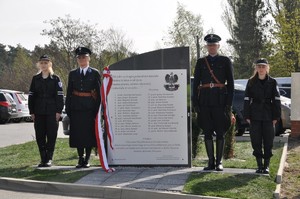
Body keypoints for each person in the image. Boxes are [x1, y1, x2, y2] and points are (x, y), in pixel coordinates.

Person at [192, 34, 234, 171]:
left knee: (220, 132)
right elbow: (196, 83)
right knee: (207, 131)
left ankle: (219, 162)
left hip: (220, 101)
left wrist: (228, 104)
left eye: (214, 45)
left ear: (218, 46)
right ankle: (211, 162)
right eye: (209, 45)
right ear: (206, 46)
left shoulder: (225, 61)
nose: (211, 47)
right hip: (204, 101)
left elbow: (231, 84)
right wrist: (196, 102)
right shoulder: (200, 62)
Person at [65, 47, 101, 168]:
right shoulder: (72, 73)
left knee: (88, 134)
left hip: (89, 108)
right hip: (76, 107)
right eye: (79, 58)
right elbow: (69, 91)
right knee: (78, 134)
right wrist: (68, 108)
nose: (82, 60)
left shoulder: (94, 73)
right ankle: (80, 158)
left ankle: (87, 158)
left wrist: (97, 110)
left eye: (84, 57)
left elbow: (99, 93)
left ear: (89, 58)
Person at [243, 58, 281, 174]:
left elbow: (277, 100)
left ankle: (266, 166)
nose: (261, 69)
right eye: (259, 66)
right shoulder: (251, 82)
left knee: (268, 141)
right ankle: (259, 165)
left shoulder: (273, 82)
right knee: (256, 141)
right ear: (256, 68)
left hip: (269, 115)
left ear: (267, 68)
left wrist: (276, 117)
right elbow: (246, 99)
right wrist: (247, 115)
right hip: (255, 115)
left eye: (263, 66)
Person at [28, 54, 64, 167]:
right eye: (42, 63)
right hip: (38, 111)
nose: (43, 65)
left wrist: (59, 111)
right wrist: (31, 112)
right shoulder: (35, 79)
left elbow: (60, 96)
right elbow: (31, 96)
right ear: (39, 64)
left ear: (50, 64)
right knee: (40, 135)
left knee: (52, 135)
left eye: (46, 63)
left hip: (52, 112)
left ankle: (49, 158)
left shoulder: (56, 78)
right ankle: (43, 158)